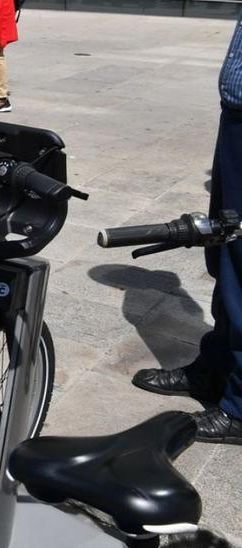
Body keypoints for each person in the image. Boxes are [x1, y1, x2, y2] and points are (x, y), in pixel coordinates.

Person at [132, 13, 242, 446]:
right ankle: (215, 369)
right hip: (236, 115)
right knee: (224, 250)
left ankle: (238, 407)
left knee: (240, 257)